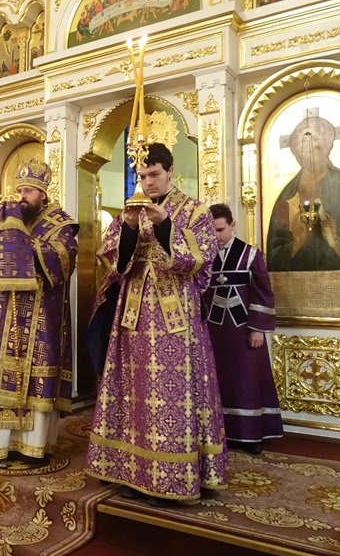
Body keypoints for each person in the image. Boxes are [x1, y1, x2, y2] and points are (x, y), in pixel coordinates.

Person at [85, 143, 227, 507]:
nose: (148, 182)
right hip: (132, 318)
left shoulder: (194, 210)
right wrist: (129, 227)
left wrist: (164, 223)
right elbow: (112, 261)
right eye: (142, 176)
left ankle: (174, 474)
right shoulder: (130, 211)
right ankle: (132, 469)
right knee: (133, 392)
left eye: (154, 175)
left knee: (172, 394)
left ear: (170, 172)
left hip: (174, 321)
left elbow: (201, 259)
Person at [0, 160, 78, 465]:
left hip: (41, 317)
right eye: (19, 190)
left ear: (43, 194)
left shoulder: (61, 224)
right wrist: (0, 234)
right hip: (3, 315)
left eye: (28, 191)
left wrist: (22, 245)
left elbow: (63, 261)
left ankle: (33, 446)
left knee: (36, 382)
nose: (22, 197)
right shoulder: (7, 219)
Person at [204, 204, 283, 455]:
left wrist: (257, 328)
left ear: (232, 225)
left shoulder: (250, 254)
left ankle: (250, 434)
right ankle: (219, 431)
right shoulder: (203, 254)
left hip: (243, 330)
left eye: (220, 230)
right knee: (217, 379)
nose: (216, 236)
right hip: (213, 330)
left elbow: (263, 292)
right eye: (211, 231)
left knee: (247, 379)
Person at [267, 115, 340, 272]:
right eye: (303, 146)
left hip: (339, 279)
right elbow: (274, 253)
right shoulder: (287, 194)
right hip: (297, 280)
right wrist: (295, 245)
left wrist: (335, 242)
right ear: (296, 154)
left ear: (327, 147)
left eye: (316, 144)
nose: (310, 150)